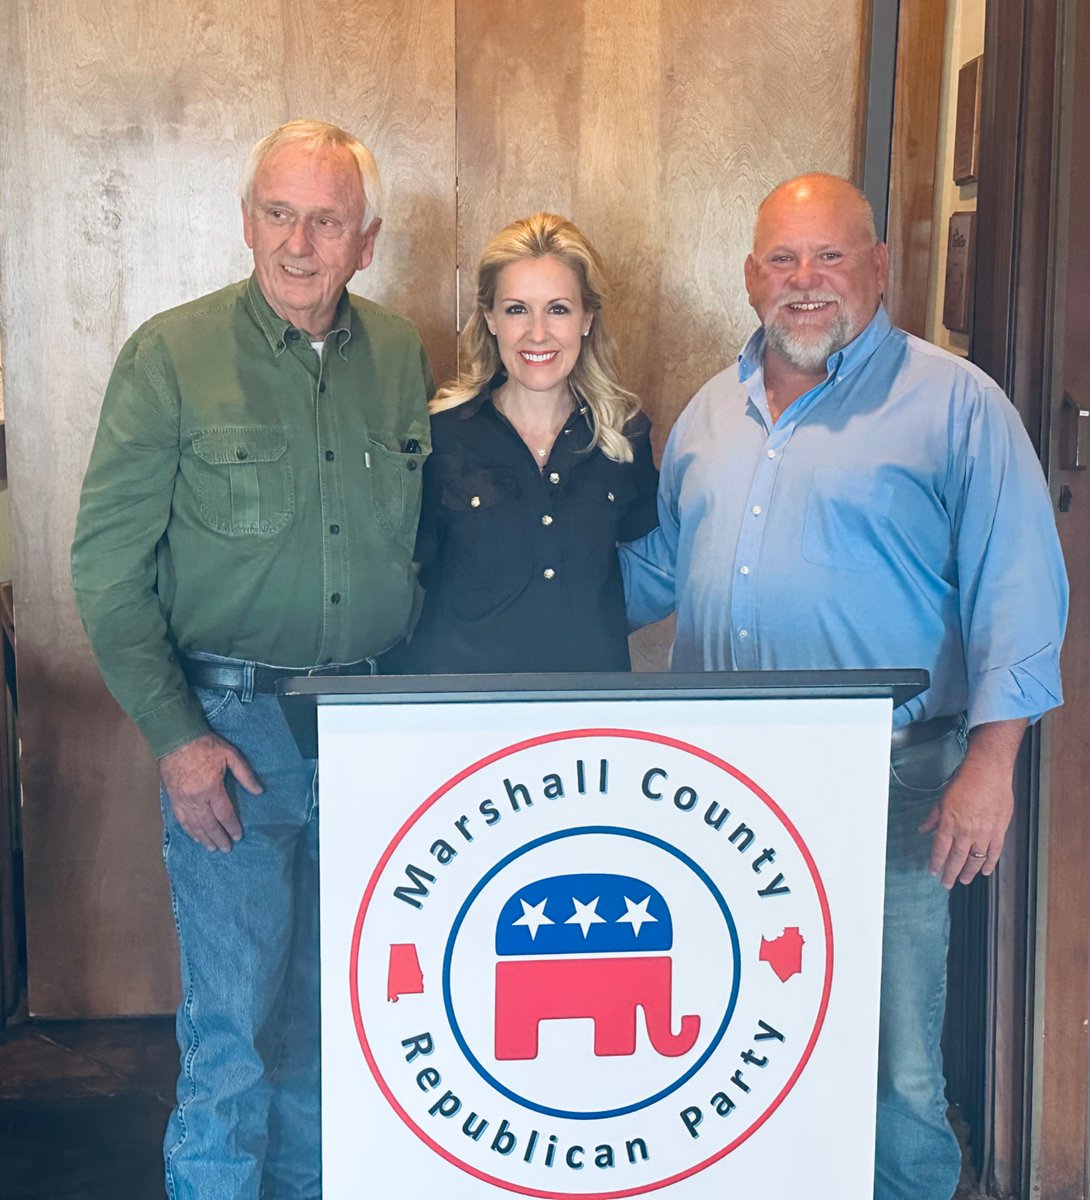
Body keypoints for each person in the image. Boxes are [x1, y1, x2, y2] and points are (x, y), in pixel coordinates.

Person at [621, 173, 1068, 1200]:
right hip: (723, 784)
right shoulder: (709, 412)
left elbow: (1019, 592)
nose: (806, 280)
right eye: (783, 259)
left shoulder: (956, 405)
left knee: (894, 1052)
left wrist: (990, 767)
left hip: (893, 780)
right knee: (739, 1027)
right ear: (750, 277)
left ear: (879, 266)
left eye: (830, 256)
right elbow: (655, 573)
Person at [70, 119, 432, 1200]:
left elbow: (424, 551)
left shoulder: (402, 355)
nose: (297, 243)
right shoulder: (170, 355)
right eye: (278, 214)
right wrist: (177, 739)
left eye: (325, 220)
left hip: (370, 733)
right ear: (245, 221)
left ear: (366, 241)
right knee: (232, 1027)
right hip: (229, 736)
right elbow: (106, 570)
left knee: (343, 1014)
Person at [395, 212, 658, 674]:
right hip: (459, 707)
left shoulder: (624, 435)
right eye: (517, 309)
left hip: (587, 707)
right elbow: (405, 580)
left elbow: (648, 569)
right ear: (491, 319)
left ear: (587, 318)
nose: (538, 333)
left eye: (558, 309)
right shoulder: (441, 435)